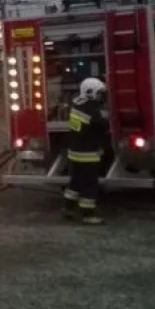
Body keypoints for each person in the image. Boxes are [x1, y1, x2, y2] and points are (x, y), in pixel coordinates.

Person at [62, 77, 109, 225]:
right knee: (90, 185)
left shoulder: (77, 103)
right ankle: (88, 215)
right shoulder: (93, 111)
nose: (102, 97)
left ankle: (68, 208)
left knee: (75, 183)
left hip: (74, 152)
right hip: (87, 155)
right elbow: (102, 125)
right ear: (90, 93)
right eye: (100, 93)